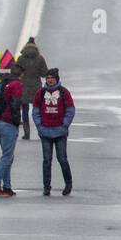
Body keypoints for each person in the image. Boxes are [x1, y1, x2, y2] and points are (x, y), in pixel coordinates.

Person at [33, 68, 75, 196]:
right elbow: (35, 111)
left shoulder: (64, 92)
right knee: (47, 160)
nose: (50, 80)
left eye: (52, 78)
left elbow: (70, 110)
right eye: (48, 78)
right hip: (45, 131)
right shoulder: (40, 93)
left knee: (62, 159)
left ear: (56, 78)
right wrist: (39, 126)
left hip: (60, 132)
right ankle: (46, 186)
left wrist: (64, 125)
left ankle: (68, 184)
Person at [0, 65, 25, 197]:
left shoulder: (4, 83)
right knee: (7, 156)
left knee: (8, 156)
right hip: (8, 123)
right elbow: (15, 104)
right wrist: (17, 121)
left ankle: (8, 186)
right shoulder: (17, 85)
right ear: (21, 74)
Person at [14, 37, 49, 140]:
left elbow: (16, 72)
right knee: (38, 110)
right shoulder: (40, 58)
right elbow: (44, 74)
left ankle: (26, 133)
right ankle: (40, 131)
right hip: (36, 87)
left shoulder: (21, 59)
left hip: (24, 86)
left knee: (25, 111)